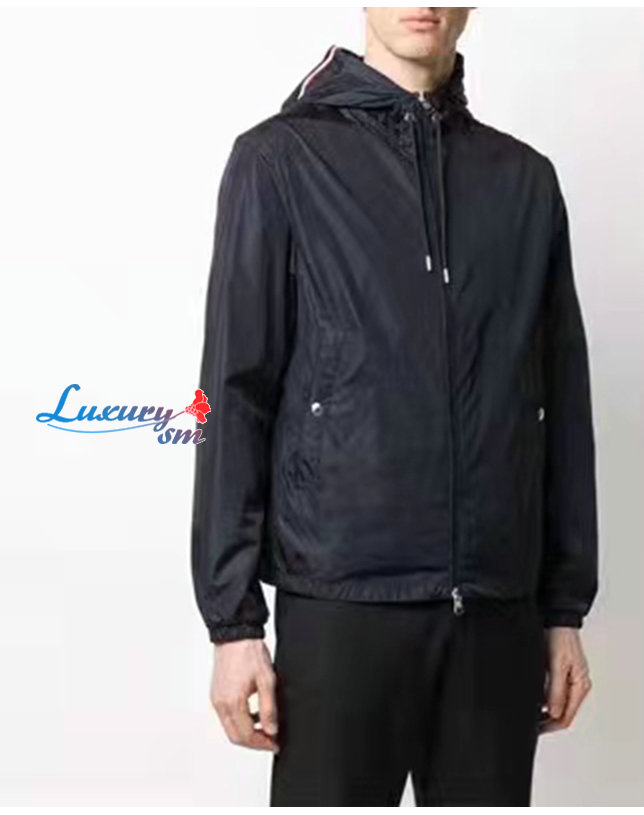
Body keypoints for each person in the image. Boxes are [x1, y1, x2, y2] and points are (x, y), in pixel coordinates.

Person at [191, 7, 598, 806]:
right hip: (342, 607)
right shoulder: (281, 160)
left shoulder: (523, 181)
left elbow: (561, 407)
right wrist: (233, 623)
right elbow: (232, 395)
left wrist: (563, 609)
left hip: (494, 614)